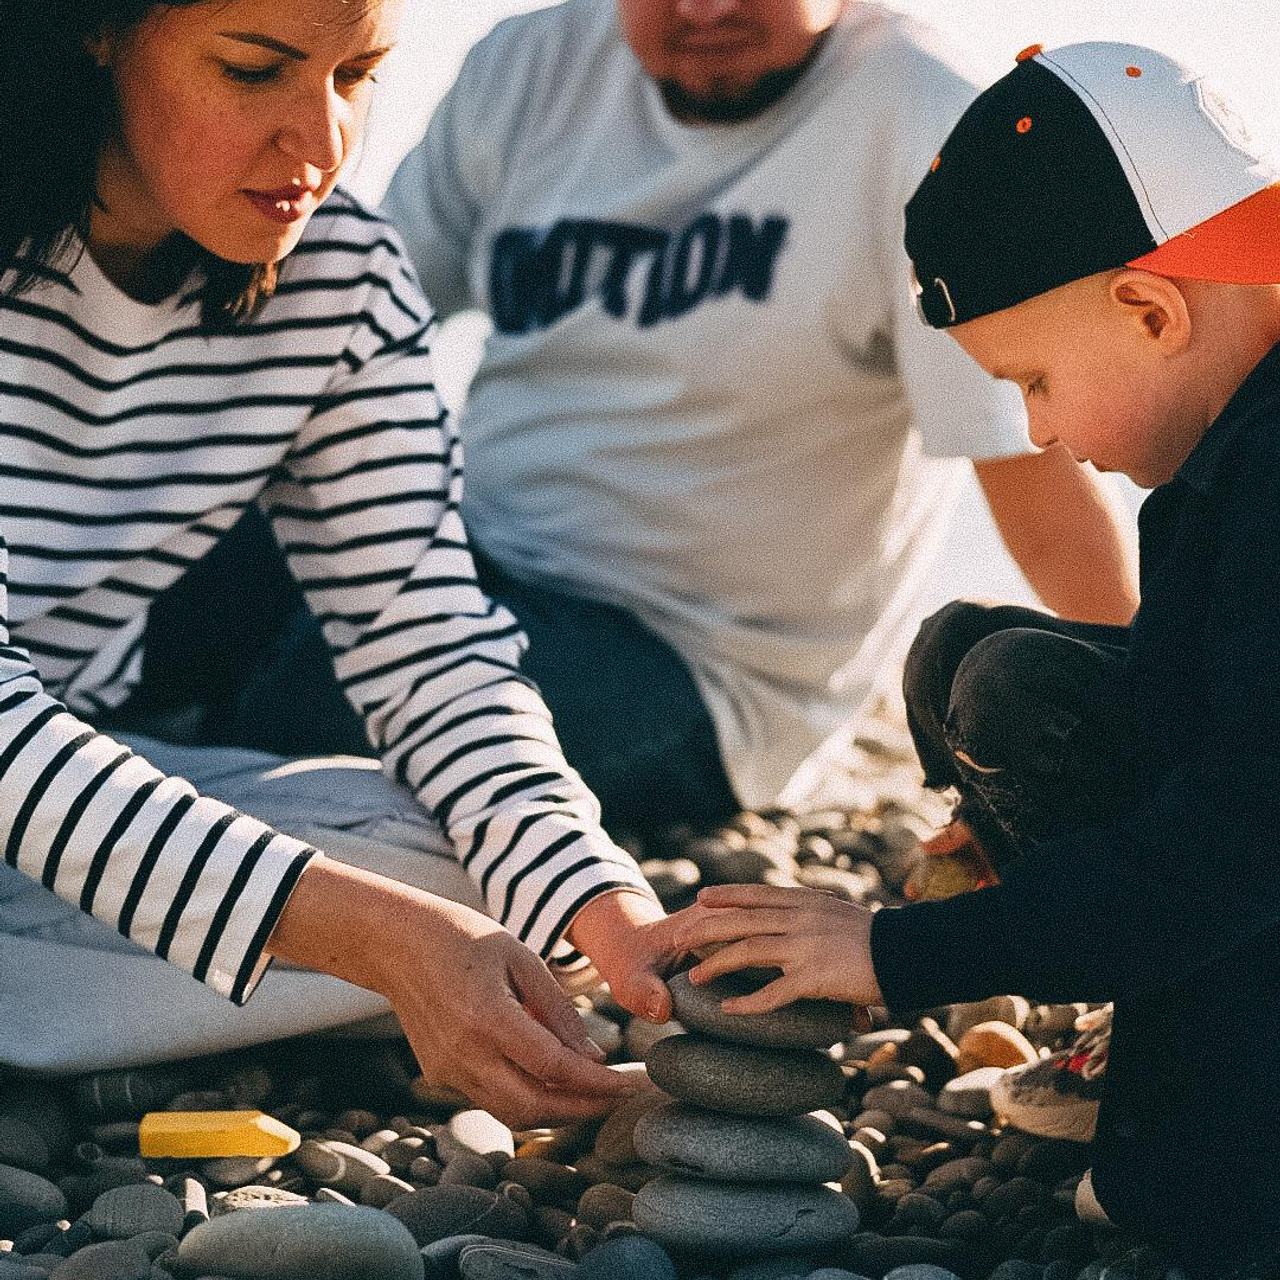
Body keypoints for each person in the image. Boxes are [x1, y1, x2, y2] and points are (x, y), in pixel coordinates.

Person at [134, 0, 1138, 835]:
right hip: (466, 548)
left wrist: (1145, 718)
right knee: (133, 575)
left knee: (306, 718)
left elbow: (1034, 472)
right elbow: (326, 329)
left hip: (695, 664)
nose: (704, 9)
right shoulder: (528, 65)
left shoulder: (925, 121)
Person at [0, 0, 682, 1125]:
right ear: (98, 32)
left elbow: (428, 644)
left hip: (61, 794)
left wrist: (606, 910)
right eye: (253, 70)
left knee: (474, 886)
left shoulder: (342, 275)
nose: (320, 144)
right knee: (397, 923)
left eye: (356, 76)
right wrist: (371, 937)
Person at [671, 40, 1280, 1277]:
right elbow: (1194, 712)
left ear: (1151, 310)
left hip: (1247, 855)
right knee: (975, 658)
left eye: (1033, 382)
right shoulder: (1220, 453)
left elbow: (1240, 830)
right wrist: (997, 857)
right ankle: (1165, 1030)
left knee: (1176, 1201)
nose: (1037, 430)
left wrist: (894, 956)